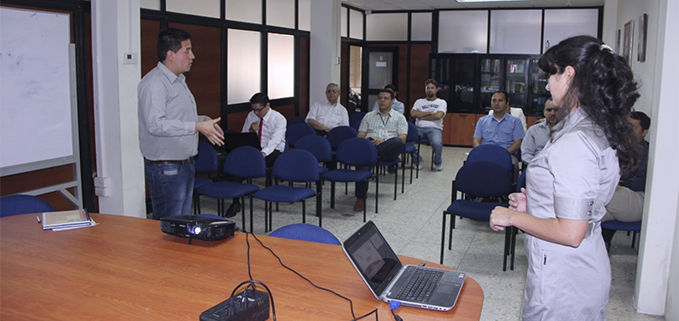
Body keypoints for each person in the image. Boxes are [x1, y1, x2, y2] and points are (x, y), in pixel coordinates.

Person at [489, 36, 641, 320]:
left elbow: (571, 232)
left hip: (564, 274)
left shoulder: (577, 140)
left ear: (569, 74)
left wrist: (511, 217)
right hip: (580, 264)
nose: (547, 84)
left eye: (551, 75)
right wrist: (534, 206)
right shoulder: (593, 125)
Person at [138, 28, 224, 220]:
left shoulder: (178, 80)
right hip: (167, 168)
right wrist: (195, 126)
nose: (192, 56)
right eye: (187, 50)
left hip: (184, 164)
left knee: (181, 221)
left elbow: (177, 116)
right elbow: (155, 124)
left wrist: (202, 120)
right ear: (171, 54)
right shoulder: (155, 84)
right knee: (169, 223)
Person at [223, 93, 286, 217]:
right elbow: (243, 135)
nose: (256, 113)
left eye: (258, 110)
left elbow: (275, 141)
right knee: (236, 164)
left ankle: (256, 192)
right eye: (253, 109)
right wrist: (251, 130)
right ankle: (236, 202)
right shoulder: (251, 115)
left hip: (273, 151)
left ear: (267, 105)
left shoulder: (279, 119)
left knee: (251, 162)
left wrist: (262, 153)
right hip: (254, 148)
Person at [354, 89, 408, 212]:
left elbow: (403, 138)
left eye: (386, 98)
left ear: (392, 101)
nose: (382, 101)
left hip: (388, 151)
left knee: (397, 142)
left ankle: (371, 152)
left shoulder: (400, 118)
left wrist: (384, 140)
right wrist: (366, 141)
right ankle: (360, 198)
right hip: (371, 146)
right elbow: (360, 135)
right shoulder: (369, 116)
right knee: (365, 159)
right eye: (380, 98)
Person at [601, 111, 650, 246]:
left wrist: (616, 181)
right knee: (588, 214)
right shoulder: (617, 147)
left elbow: (642, 182)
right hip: (616, 200)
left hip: (636, 198)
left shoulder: (647, 153)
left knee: (601, 189)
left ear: (645, 132)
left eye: (633, 128)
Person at [411, 79, 447, 171]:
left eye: (432, 88)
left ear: (436, 90)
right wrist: (431, 114)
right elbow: (413, 114)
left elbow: (438, 116)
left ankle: (438, 162)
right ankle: (417, 161)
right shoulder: (419, 101)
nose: (429, 90)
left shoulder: (441, 102)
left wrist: (421, 115)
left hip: (435, 128)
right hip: (419, 128)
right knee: (407, 141)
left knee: (437, 144)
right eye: (428, 88)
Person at [472, 91, 524, 155]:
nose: (496, 103)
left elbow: (517, 144)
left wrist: (502, 154)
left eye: (500, 100)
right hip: (485, 153)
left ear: (507, 104)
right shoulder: (482, 121)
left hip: (506, 154)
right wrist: (480, 152)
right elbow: (476, 140)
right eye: (494, 101)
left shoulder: (516, 122)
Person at [520, 98, 559, 164]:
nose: (552, 113)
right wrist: (538, 165)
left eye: (556, 110)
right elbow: (525, 154)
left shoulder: (568, 131)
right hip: (537, 166)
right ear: (544, 112)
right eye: (549, 110)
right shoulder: (533, 130)